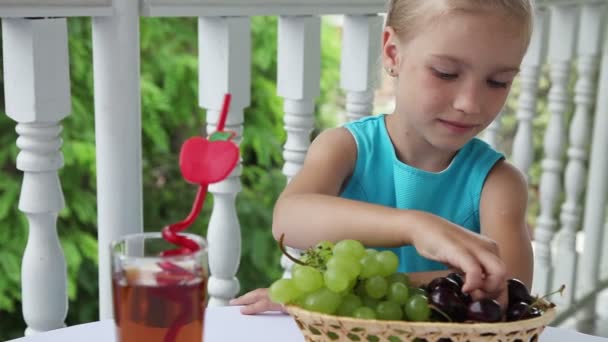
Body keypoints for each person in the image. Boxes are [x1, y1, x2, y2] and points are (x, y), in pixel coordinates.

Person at [231, 0, 535, 315]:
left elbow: (509, 285)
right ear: (393, 54)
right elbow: (289, 219)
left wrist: (354, 292)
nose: (470, 103)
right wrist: (416, 227)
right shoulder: (344, 148)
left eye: (498, 81)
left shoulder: (498, 183)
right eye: (446, 73)